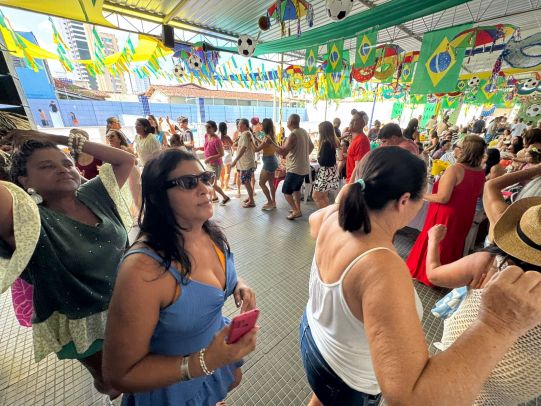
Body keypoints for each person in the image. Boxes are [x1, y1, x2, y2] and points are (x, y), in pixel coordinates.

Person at [300, 146, 541, 406]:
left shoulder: (333, 216)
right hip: (347, 376)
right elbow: (411, 398)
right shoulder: (381, 268)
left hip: (314, 338)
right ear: (404, 200)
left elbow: (314, 223)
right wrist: (495, 324)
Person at [103, 149, 258, 405]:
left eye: (206, 178)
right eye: (188, 182)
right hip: (170, 388)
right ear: (158, 196)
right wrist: (205, 362)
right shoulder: (143, 270)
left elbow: (213, 280)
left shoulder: (210, 233)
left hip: (210, 359)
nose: (205, 189)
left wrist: (238, 284)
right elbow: (119, 375)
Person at [0, 129, 134, 397]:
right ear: (24, 180)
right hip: (84, 321)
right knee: (110, 381)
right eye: (46, 166)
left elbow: (125, 160)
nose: (62, 169)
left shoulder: (95, 193)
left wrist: (52, 138)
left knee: (142, 364)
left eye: (67, 163)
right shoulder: (28, 220)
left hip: (132, 303)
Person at [426, 198, 541, 405]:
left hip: (460, 358)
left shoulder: (489, 264)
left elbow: (434, 274)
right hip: (519, 385)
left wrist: (433, 240)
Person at [407, 135, 486, 286]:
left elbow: (443, 198)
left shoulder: (455, 169)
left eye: (458, 147)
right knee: (452, 244)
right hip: (465, 214)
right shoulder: (481, 172)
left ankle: (428, 274)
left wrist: (420, 195)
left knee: (437, 242)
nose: (455, 149)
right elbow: (479, 193)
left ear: (464, 151)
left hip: (446, 213)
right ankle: (446, 277)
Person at [276, 113, 314, 220]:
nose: (286, 123)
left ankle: (296, 211)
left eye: (287, 120)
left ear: (291, 122)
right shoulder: (304, 132)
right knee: (296, 190)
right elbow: (311, 146)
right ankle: (298, 209)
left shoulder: (293, 135)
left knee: (286, 192)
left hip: (295, 169)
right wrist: (303, 155)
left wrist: (271, 144)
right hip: (303, 168)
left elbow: (283, 152)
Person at [254, 118, 279, 210]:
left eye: (262, 124)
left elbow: (256, 149)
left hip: (269, 162)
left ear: (265, 126)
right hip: (272, 160)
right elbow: (265, 145)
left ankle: (270, 202)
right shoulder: (270, 136)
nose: (260, 125)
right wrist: (256, 138)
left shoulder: (267, 137)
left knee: (261, 183)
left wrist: (251, 140)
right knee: (271, 183)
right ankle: (273, 202)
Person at [312, 121, 339, 209]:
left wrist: (318, 158)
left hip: (325, 172)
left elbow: (323, 161)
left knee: (316, 196)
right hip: (331, 171)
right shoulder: (332, 142)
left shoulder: (326, 143)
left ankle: (325, 215)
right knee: (324, 196)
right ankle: (326, 213)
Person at [203, 120, 230, 206]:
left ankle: (223, 197)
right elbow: (206, 147)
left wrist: (210, 158)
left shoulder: (217, 140)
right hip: (209, 163)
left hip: (215, 165)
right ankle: (215, 198)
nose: (207, 129)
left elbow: (221, 154)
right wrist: (198, 148)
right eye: (206, 127)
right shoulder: (206, 136)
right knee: (211, 183)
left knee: (212, 184)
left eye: (209, 127)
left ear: (214, 128)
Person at [231, 119, 256, 208]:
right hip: (246, 163)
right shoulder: (247, 133)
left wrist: (235, 160)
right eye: (238, 125)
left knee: (246, 181)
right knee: (246, 181)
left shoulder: (246, 134)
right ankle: (250, 197)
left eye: (240, 125)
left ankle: (252, 201)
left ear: (245, 125)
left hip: (246, 163)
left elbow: (243, 148)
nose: (238, 127)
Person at [345, 111, 370, 183]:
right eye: (351, 120)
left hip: (353, 183)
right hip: (350, 180)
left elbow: (358, 168)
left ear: (362, 124)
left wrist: (350, 185)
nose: (351, 122)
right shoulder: (356, 139)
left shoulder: (361, 140)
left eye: (354, 120)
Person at [219, 122, 234, 190]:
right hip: (227, 153)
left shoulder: (217, 136)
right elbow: (232, 144)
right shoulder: (226, 137)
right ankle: (226, 186)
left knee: (222, 171)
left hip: (220, 154)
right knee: (227, 172)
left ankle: (222, 184)